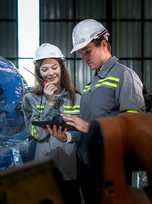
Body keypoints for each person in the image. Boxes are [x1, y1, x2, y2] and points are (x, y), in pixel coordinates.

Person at [61, 19, 145, 203]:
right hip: (87, 164)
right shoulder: (91, 85)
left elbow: (134, 124)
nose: (83, 58)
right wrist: (67, 136)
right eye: (82, 53)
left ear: (104, 44)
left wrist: (90, 128)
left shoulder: (124, 75)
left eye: (87, 51)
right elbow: (85, 127)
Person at [22, 43, 82, 204]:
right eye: (44, 69)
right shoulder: (30, 99)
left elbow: (81, 133)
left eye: (54, 67)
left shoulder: (77, 98)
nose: (50, 73)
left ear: (61, 67)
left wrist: (68, 137)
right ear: (38, 72)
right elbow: (37, 134)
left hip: (69, 172)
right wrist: (50, 103)